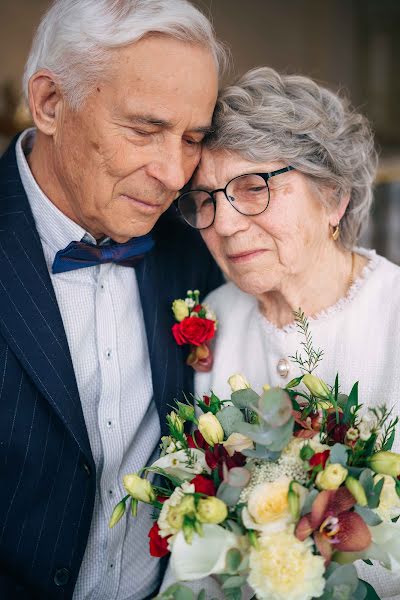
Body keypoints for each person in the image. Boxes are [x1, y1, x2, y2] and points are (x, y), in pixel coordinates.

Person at [0, 1, 226, 598]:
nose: (175, 173)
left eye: (192, 139)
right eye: (145, 129)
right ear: (50, 103)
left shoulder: (201, 249)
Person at [175, 67, 400, 599]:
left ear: (334, 197)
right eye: (205, 200)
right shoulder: (213, 317)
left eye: (254, 188)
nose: (224, 224)